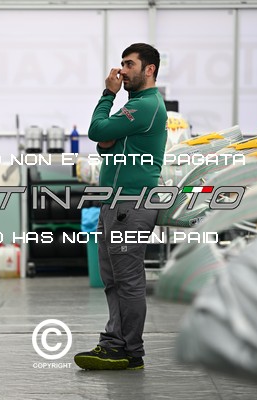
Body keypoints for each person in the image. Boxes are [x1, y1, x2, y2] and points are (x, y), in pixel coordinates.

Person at [74, 43, 168, 371]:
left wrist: (107, 94)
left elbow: (98, 131)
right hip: (115, 203)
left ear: (149, 69)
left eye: (129, 64)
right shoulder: (136, 106)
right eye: (122, 64)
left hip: (131, 203)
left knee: (127, 280)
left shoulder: (146, 105)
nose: (122, 71)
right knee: (113, 279)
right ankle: (115, 343)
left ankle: (131, 351)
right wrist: (108, 139)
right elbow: (106, 147)